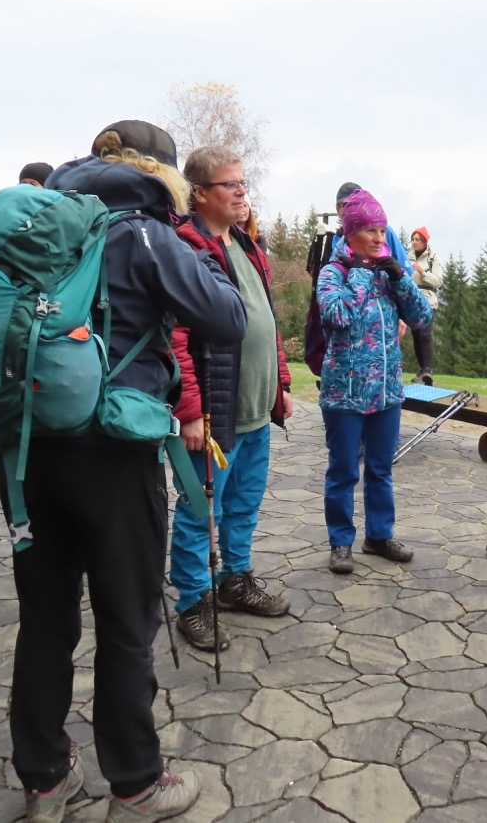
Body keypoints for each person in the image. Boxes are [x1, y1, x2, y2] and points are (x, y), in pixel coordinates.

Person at [11, 121, 246, 823]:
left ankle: (45, 778)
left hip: (28, 451)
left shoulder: (38, 223)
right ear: (162, 171)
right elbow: (225, 317)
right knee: (125, 620)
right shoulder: (144, 231)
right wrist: (190, 242)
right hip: (114, 452)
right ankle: (136, 778)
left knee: (45, 620)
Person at [168, 144, 292, 654]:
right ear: (200, 193)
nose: (242, 192)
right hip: (215, 414)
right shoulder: (184, 248)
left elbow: (268, 322)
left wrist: (281, 383)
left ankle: (235, 581)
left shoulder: (245, 243)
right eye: (231, 185)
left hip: (256, 409)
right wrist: (191, 410)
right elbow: (175, 337)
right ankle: (194, 602)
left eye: (243, 183)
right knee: (201, 510)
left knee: (243, 503)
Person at [316, 189, 431, 574]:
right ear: (350, 234)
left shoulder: (389, 274)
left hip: (386, 391)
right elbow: (337, 316)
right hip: (344, 394)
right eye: (370, 230)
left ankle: (379, 535)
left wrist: (400, 279)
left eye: (382, 230)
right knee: (344, 470)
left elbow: (420, 319)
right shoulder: (333, 273)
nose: (380, 238)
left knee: (381, 469)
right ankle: (341, 542)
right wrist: (364, 274)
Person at [407, 227, 442, 386]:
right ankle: (422, 370)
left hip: (428, 299)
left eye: (418, 239)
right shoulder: (407, 258)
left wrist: (423, 272)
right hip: (412, 299)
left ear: (425, 241)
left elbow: (438, 282)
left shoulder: (433, 258)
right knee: (416, 334)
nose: (414, 242)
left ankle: (428, 370)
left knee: (425, 333)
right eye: (413, 239)